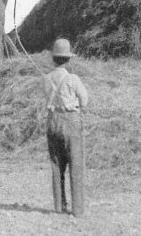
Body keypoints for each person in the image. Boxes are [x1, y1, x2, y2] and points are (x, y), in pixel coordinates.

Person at [43, 38, 89, 217]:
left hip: (53, 120)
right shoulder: (73, 78)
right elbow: (84, 100)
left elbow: (47, 96)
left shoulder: (46, 78)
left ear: (53, 58)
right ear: (68, 59)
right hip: (70, 120)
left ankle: (59, 206)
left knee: (56, 164)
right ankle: (77, 210)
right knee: (75, 164)